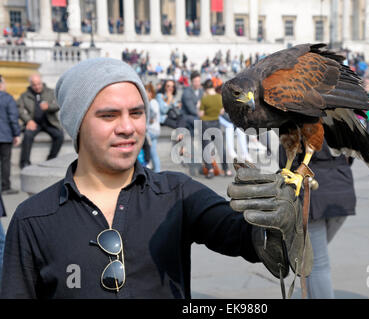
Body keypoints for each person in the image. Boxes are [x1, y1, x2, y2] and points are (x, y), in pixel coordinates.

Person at [0, 57, 311, 298]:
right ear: (76, 124)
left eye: (136, 113)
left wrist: (277, 222)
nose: (127, 127)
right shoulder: (33, 219)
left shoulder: (177, 193)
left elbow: (246, 237)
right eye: (109, 115)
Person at [279, 139, 356, 298]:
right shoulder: (342, 118)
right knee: (309, 258)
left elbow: (287, 165)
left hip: (313, 196)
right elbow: (352, 155)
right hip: (342, 190)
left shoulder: (297, 120)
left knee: (317, 263)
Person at [17, 73, 64, 169]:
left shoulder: (51, 92)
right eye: (34, 85)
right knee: (27, 135)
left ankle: (51, 159)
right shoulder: (25, 95)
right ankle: (25, 162)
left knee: (59, 135)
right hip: (34, 123)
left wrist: (49, 107)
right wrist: (28, 120)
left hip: (49, 121)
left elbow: (59, 105)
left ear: (42, 82)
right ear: (30, 84)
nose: (37, 87)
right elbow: (19, 110)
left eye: (39, 84)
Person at [199, 79, 231, 178]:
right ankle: (226, 170)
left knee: (206, 148)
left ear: (205, 88)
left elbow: (201, 114)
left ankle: (210, 170)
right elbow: (222, 111)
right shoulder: (219, 97)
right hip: (216, 123)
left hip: (205, 124)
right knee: (220, 147)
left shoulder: (204, 98)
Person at [0, 76, 21, 194]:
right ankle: (5, 186)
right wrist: (16, 134)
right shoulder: (8, 98)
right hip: (4, 135)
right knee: (5, 161)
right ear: (1, 84)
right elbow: (13, 118)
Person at [144, 82, 161, 173]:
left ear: (150, 93)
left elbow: (154, 113)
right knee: (153, 152)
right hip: (155, 130)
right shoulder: (154, 102)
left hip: (151, 130)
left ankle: (148, 165)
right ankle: (157, 170)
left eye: (145, 92)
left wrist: (151, 118)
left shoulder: (152, 102)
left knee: (147, 148)